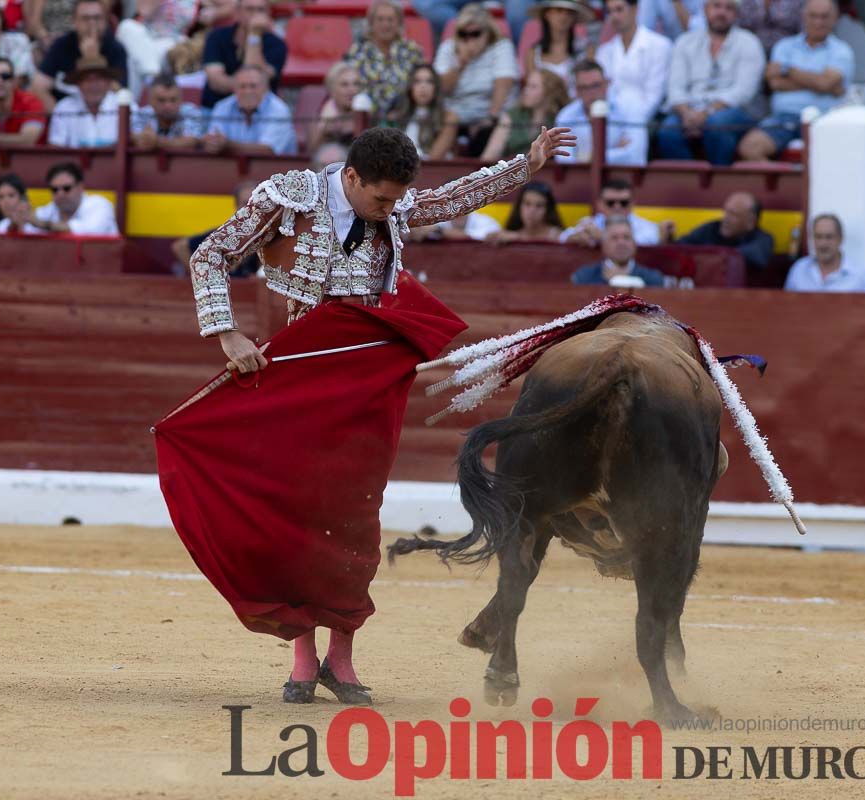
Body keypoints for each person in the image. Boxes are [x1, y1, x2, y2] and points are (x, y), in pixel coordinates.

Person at [181, 124, 576, 705]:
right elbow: (210, 254)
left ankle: (340, 658)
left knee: (355, 516)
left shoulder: (390, 205)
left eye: (396, 200)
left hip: (367, 383)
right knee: (295, 515)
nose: (391, 210)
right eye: (382, 199)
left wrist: (527, 165)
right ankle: (302, 655)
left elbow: (454, 198)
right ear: (351, 177)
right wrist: (226, 333)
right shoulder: (288, 198)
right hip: (296, 378)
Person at [736, 0, 854, 162]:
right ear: (803, 17)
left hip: (825, 119)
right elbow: (775, 83)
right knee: (750, 147)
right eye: (813, 16)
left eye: (824, 17)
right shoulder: (784, 46)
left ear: (835, 19)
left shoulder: (842, 50)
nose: (818, 22)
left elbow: (824, 83)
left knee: (836, 157)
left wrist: (786, 70)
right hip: (784, 118)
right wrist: (821, 84)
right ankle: (789, 186)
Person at [656, 0, 765, 165]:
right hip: (690, 110)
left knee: (717, 124)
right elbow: (675, 88)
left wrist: (705, 113)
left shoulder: (749, 43)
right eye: (716, 6)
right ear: (705, 9)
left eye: (728, 8)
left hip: (734, 112)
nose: (721, 12)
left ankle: (719, 181)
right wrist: (687, 114)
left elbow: (743, 92)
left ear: (736, 13)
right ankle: (689, 183)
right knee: (668, 130)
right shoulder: (685, 42)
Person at [433, 2, 519, 157]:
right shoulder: (448, 48)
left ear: (487, 32)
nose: (469, 39)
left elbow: (503, 86)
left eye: (475, 34)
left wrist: (490, 118)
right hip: (454, 115)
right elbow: (440, 88)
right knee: (447, 120)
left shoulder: (501, 47)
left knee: (483, 132)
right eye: (463, 34)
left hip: (489, 114)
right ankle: (431, 169)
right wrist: (461, 63)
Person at [554, 60, 648, 166]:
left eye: (596, 85)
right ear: (576, 91)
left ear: (606, 84)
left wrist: (588, 157)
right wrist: (616, 151)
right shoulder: (566, 116)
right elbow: (563, 160)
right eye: (584, 88)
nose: (591, 92)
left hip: (623, 179)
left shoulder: (630, 109)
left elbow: (636, 156)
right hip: (581, 180)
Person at [596, 0, 673, 123]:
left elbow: (654, 97)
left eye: (619, 9)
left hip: (647, 120)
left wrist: (630, 126)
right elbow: (603, 93)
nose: (614, 16)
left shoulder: (660, 45)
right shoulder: (604, 51)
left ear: (635, 9)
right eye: (609, 11)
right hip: (611, 120)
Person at [200, 0, 286, 109]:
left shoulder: (277, 44)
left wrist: (254, 35)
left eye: (260, 10)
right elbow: (216, 82)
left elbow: (256, 76)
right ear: (237, 12)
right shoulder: (216, 37)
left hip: (260, 112)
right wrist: (247, 86)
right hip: (215, 108)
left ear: (268, 13)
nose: (255, 14)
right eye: (249, 9)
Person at [343, 0, 424, 115]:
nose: (385, 24)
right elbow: (350, 86)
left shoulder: (412, 50)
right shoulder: (358, 51)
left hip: (404, 114)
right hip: (368, 115)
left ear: (399, 23)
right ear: (371, 23)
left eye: (390, 19)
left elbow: (420, 83)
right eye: (380, 19)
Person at [38, 0, 128, 99]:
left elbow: (120, 94)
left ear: (106, 20)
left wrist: (93, 60)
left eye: (97, 18)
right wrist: (58, 112)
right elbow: (38, 86)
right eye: (86, 18)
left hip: (105, 112)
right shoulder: (62, 45)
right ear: (74, 21)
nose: (92, 23)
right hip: (66, 109)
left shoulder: (115, 48)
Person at [202, 63, 295, 156]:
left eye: (253, 86)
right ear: (234, 88)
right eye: (242, 86)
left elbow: (268, 151)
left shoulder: (279, 109)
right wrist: (213, 143)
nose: (248, 91)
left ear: (266, 87)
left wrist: (227, 145)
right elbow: (214, 140)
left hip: (276, 169)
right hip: (229, 168)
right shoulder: (222, 106)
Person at [171, 181, 259, 276]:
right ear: (237, 207)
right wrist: (200, 276)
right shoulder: (226, 232)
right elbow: (180, 247)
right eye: (245, 203)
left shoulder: (266, 232)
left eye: (255, 202)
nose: (251, 207)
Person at [480, 68, 570, 162]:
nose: (526, 91)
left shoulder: (563, 116)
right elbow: (489, 156)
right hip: (511, 171)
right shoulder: (512, 115)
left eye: (533, 87)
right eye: (527, 85)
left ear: (549, 91)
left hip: (548, 173)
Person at [674, 191, 774, 271]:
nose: (726, 218)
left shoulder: (762, 239)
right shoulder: (711, 228)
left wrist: (715, 256)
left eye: (733, 214)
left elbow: (756, 257)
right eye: (726, 212)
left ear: (750, 222)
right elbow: (679, 246)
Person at [115, 0, 197, 96]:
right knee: (127, 27)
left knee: (136, 61)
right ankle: (152, 77)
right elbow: (144, 11)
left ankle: (149, 84)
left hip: (175, 44)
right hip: (147, 40)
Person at [383, 63, 459, 161]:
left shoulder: (449, 118)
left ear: (436, 87)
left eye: (429, 82)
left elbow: (435, 159)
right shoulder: (396, 116)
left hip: (434, 172)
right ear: (410, 87)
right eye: (417, 81)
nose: (423, 86)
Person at [784, 213, 865, 292]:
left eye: (829, 237)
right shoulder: (799, 270)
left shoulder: (861, 276)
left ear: (840, 239)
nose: (823, 243)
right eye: (818, 237)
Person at [561, 177, 662, 245]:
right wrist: (573, 238)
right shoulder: (591, 223)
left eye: (623, 203)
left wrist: (602, 237)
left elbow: (645, 242)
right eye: (610, 203)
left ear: (632, 203)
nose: (617, 207)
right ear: (599, 204)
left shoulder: (647, 227)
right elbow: (562, 237)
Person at [47, 55, 120, 148]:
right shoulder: (64, 107)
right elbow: (56, 146)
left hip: (115, 162)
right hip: (72, 162)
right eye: (88, 80)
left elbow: (135, 141)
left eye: (99, 79)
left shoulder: (126, 105)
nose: (94, 85)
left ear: (109, 82)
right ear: (78, 84)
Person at [523, 0, 595, 93]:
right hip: (546, 106)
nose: (564, 16)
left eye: (569, 12)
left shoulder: (587, 49)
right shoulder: (533, 53)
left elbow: (591, 84)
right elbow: (532, 89)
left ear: (574, 17)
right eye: (558, 10)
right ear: (547, 14)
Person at [30, 161, 120, 235]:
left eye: (66, 188)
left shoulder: (100, 205)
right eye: (55, 189)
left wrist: (46, 225)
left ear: (80, 187)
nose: (60, 194)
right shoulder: (45, 212)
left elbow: (91, 232)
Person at [571, 216, 667, 286]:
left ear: (634, 243)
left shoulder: (654, 279)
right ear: (604, 244)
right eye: (614, 238)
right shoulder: (584, 277)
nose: (621, 243)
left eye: (626, 237)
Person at [306, 62, 371, 154]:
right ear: (332, 89)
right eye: (344, 84)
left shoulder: (367, 117)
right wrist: (325, 128)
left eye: (356, 84)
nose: (352, 89)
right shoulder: (317, 121)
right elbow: (312, 155)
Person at [130, 73, 204, 150]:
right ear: (150, 101)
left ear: (181, 100)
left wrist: (157, 142)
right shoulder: (143, 113)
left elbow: (192, 141)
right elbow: (133, 136)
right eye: (161, 100)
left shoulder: (190, 111)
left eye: (173, 100)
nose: (168, 106)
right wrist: (141, 139)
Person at [487, 181, 564, 244]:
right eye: (527, 204)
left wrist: (518, 238)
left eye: (539, 206)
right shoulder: (507, 235)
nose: (532, 211)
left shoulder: (559, 236)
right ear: (519, 207)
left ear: (548, 210)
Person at [736, 0, 802, 54]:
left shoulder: (795, 2)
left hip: (786, 51)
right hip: (752, 47)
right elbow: (741, 24)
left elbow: (800, 28)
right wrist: (764, 7)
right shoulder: (749, 2)